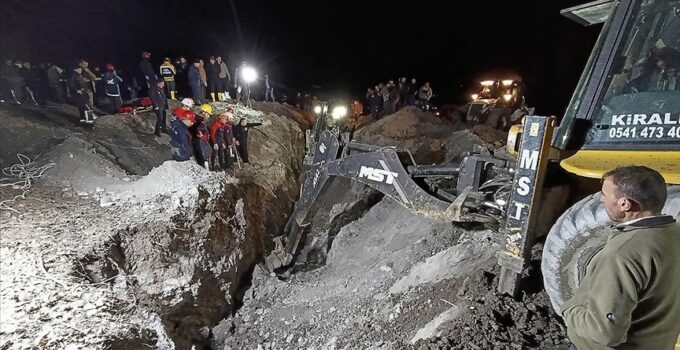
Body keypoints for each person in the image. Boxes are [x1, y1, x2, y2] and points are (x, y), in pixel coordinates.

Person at [561, 166, 680, 350]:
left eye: (605, 194)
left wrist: (570, 310)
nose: (601, 199)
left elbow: (603, 333)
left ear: (625, 204)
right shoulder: (674, 234)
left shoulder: (624, 254)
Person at [191, 104, 214, 169]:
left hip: (201, 144)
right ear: (204, 112)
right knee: (202, 162)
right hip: (199, 144)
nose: (209, 116)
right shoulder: (199, 122)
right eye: (208, 114)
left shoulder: (202, 122)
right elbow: (198, 135)